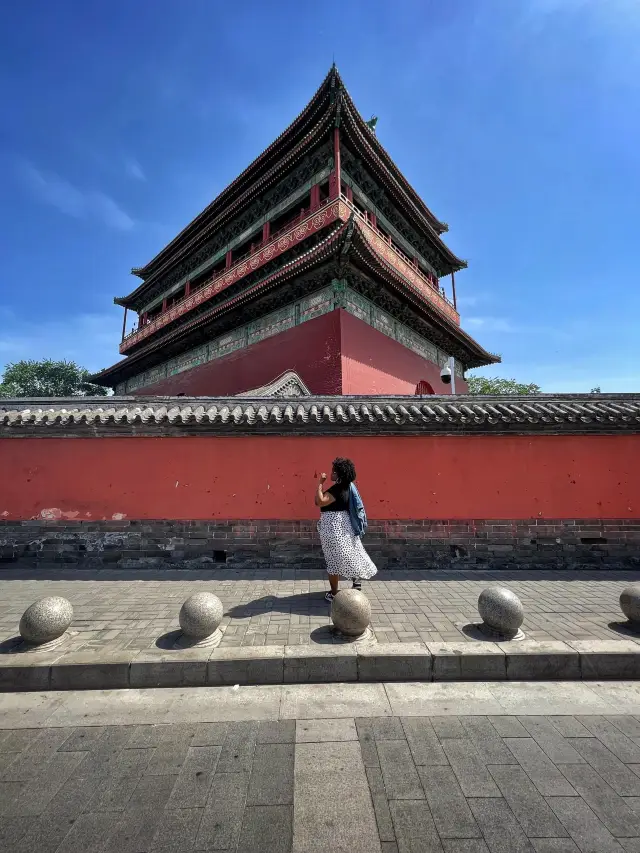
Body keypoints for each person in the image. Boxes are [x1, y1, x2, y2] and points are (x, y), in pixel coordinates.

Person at [315, 457, 377, 602]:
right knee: (351, 552)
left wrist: (319, 484)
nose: (331, 473)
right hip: (344, 526)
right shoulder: (348, 487)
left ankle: (334, 593)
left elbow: (319, 501)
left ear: (338, 474)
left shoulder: (337, 489)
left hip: (333, 528)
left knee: (333, 560)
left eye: (333, 471)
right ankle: (356, 583)